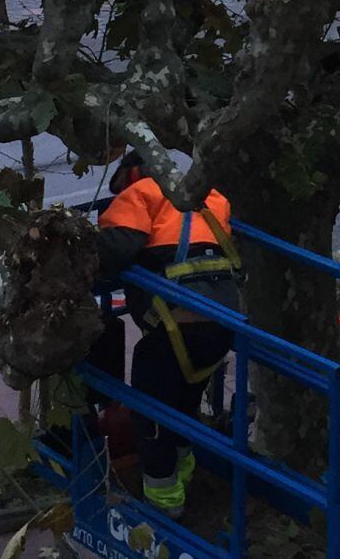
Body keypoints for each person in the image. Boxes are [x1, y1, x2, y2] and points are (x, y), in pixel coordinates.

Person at [96, 150, 240, 518]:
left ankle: (164, 505)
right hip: (222, 323)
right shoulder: (212, 197)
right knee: (184, 402)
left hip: (175, 324)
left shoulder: (141, 193)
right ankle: (185, 473)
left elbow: (116, 250)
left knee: (152, 413)